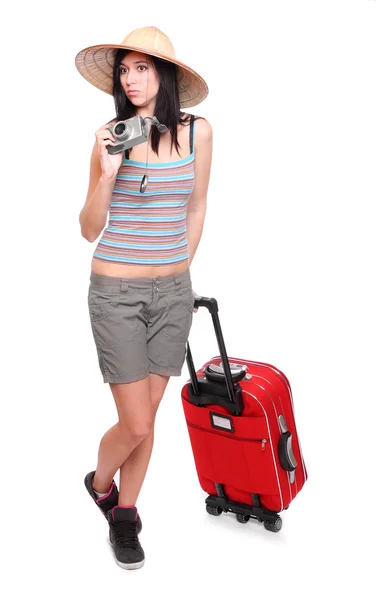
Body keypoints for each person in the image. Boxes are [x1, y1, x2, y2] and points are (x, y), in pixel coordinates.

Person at [75, 26, 212, 570]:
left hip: (174, 293)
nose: (131, 79)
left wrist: (182, 266)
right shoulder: (109, 136)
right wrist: (107, 175)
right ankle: (101, 483)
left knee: (150, 421)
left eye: (143, 68)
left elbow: (197, 207)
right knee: (134, 425)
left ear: (166, 75)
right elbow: (88, 228)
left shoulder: (199, 132)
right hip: (117, 294)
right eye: (125, 70)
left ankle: (126, 515)